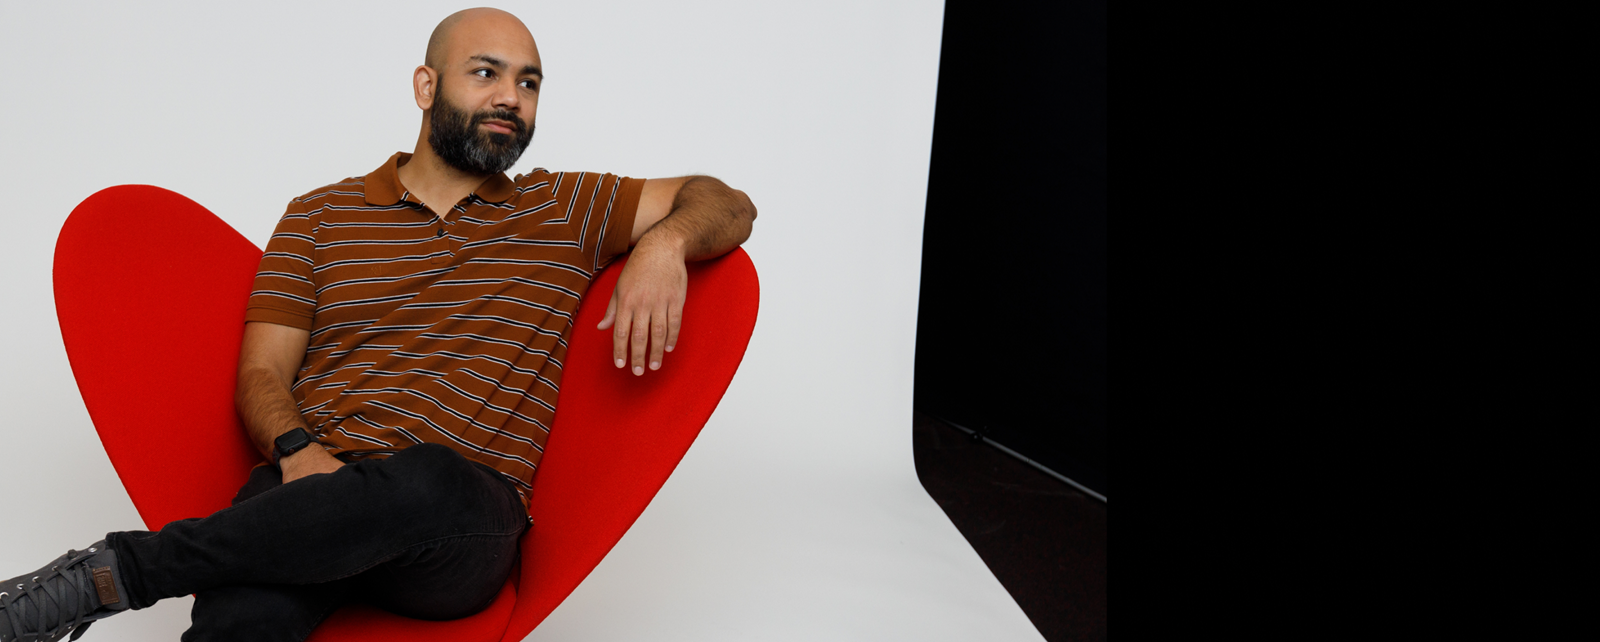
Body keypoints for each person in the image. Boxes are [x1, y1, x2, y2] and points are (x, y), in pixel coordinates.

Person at [0, 7, 755, 642]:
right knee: (240, 621)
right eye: (485, 73)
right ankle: (120, 576)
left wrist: (666, 240)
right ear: (426, 86)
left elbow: (727, 202)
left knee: (428, 478)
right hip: (310, 486)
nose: (511, 99)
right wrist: (297, 452)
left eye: (528, 83)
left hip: (458, 522)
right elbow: (262, 373)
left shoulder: (563, 208)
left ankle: (112, 575)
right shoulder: (319, 217)